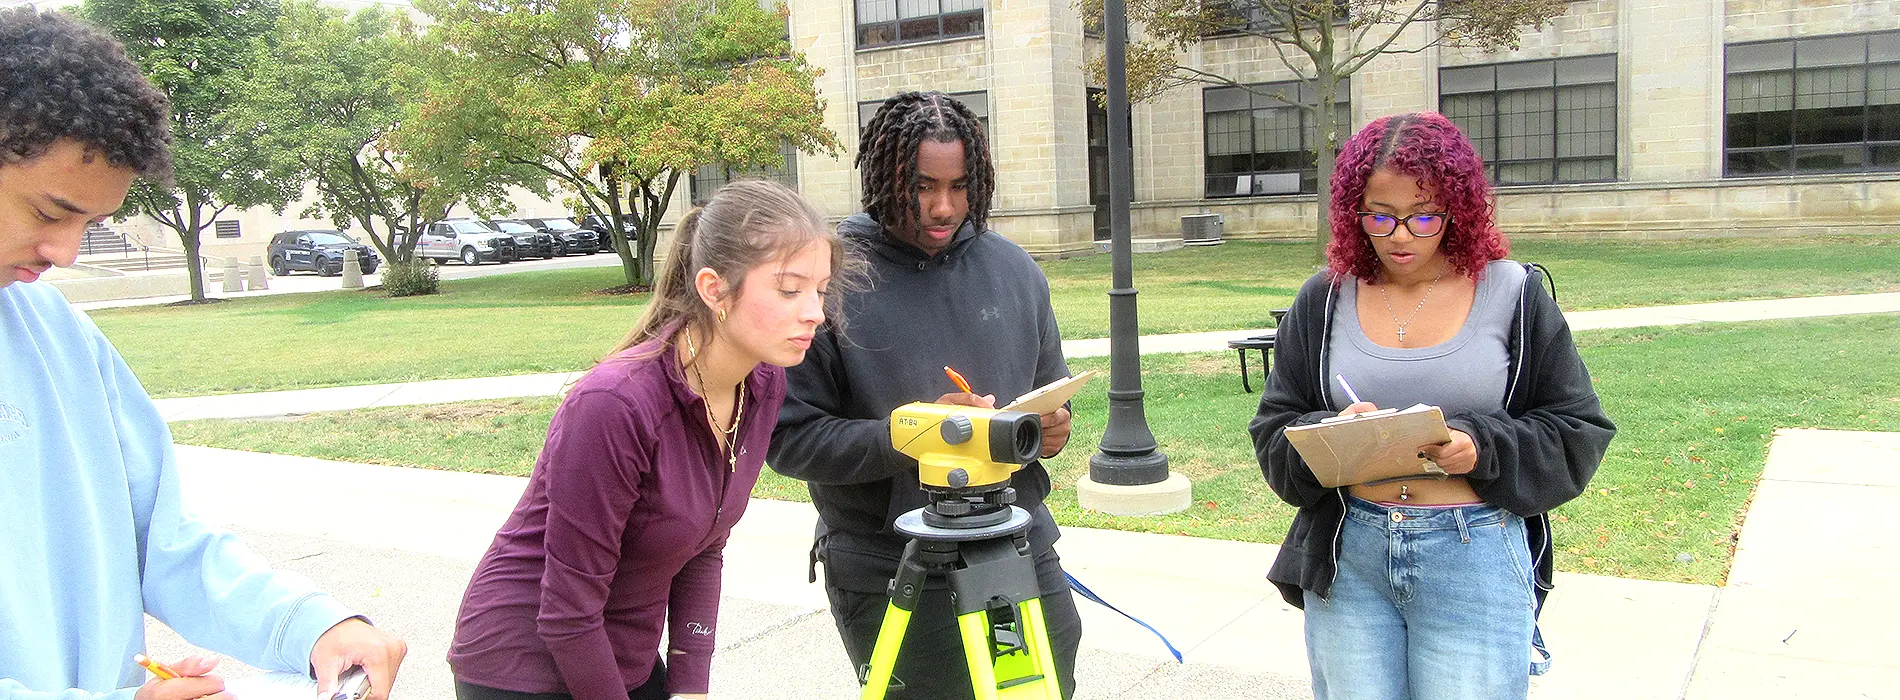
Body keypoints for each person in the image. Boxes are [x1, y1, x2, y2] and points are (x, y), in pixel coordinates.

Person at [0, 8, 408, 700]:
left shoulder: (56, 330)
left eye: (90, 225)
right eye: (49, 212)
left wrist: (312, 624)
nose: (66, 253)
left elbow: (160, 540)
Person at [1249, 112, 1617, 700]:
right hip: (1352, 556)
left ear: (1458, 211)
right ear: (1353, 210)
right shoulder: (1324, 298)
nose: (1400, 236)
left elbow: (1579, 428)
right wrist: (1331, 435)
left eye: (1423, 216)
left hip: (1475, 550)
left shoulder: (1513, 292)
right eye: (1380, 215)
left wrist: (1482, 446)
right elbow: (1274, 425)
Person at [447, 180, 847, 700]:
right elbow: (568, 612)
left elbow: (705, 546)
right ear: (713, 289)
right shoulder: (614, 405)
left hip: (625, 658)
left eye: (820, 290)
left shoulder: (763, 382)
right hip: (522, 665)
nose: (815, 312)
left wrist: (690, 684)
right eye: (790, 290)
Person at [768, 91, 1083, 699]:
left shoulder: (1016, 271)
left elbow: (1047, 398)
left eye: (961, 187)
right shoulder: (828, 280)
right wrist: (914, 435)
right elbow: (789, 438)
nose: (944, 207)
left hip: (1017, 545)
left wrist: (1047, 432)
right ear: (884, 178)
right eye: (922, 186)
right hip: (890, 563)